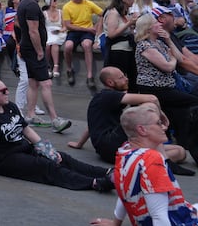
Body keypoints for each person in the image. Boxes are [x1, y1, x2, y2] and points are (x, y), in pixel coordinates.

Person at [0, 78, 114, 192]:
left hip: (21, 148)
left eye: (7, 89)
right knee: (46, 167)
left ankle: (105, 172)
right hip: (1, 159)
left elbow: (26, 130)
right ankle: (94, 183)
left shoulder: (11, 107)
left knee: (61, 157)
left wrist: (49, 151)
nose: (7, 92)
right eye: (3, 91)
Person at [91, 103, 198, 226]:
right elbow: (159, 216)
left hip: (165, 223)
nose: (164, 127)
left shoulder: (125, 152)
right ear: (142, 130)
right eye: (158, 123)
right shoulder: (151, 161)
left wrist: (115, 223)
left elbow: (124, 188)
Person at [66, 67, 194, 174]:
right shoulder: (108, 96)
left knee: (180, 152)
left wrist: (79, 144)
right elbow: (152, 98)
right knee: (148, 107)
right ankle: (164, 161)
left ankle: (146, 162)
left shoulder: (107, 99)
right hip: (111, 144)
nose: (126, 79)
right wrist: (161, 119)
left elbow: (92, 124)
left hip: (112, 147)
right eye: (121, 77)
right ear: (110, 83)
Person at [134, 11, 198, 163]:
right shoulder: (144, 46)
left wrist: (169, 41)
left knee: (181, 113)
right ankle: (192, 144)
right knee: (194, 102)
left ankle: (184, 144)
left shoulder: (160, 42)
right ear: (149, 28)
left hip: (168, 87)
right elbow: (168, 66)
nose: (159, 24)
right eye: (156, 23)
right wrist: (171, 58)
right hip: (154, 89)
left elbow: (179, 57)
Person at [16, 0, 71, 133]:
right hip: (34, 50)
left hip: (28, 48)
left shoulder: (26, 3)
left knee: (33, 82)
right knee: (46, 83)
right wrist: (40, 51)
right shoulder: (31, 5)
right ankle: (55, 120)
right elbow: (33, 31)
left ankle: (31, 115)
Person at [62, 0, 104, 88]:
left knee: (86, 45)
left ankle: (90, 76)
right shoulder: (67, 7)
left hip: (87, 33)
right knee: (67, 47)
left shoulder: (88, 3)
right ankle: (69, 69)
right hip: (74, 32)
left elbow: (103, 14)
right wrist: (88, 29)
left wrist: (97, 27)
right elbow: (68, 25)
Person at [102, 0, 139, 90]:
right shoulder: (113, 13)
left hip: (129, 49)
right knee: (119, 80)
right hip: (118, 51)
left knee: (133, 78)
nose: (133, 1)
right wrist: (129, 23)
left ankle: (133, 101)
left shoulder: (125, 13)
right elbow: (111, 34)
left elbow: (127, 30)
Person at [42, 0, 65, 79]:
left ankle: (56, 66)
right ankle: (47, 66)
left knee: (54, 43)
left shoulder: (61, 12)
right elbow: (42, 26)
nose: (56, 2)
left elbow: (65, 26)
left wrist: (60, 31)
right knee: (47, 45)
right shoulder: (44, 13)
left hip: (59, 31)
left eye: (56, 0)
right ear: (49, 3)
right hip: (48, 31)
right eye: (54, 0)